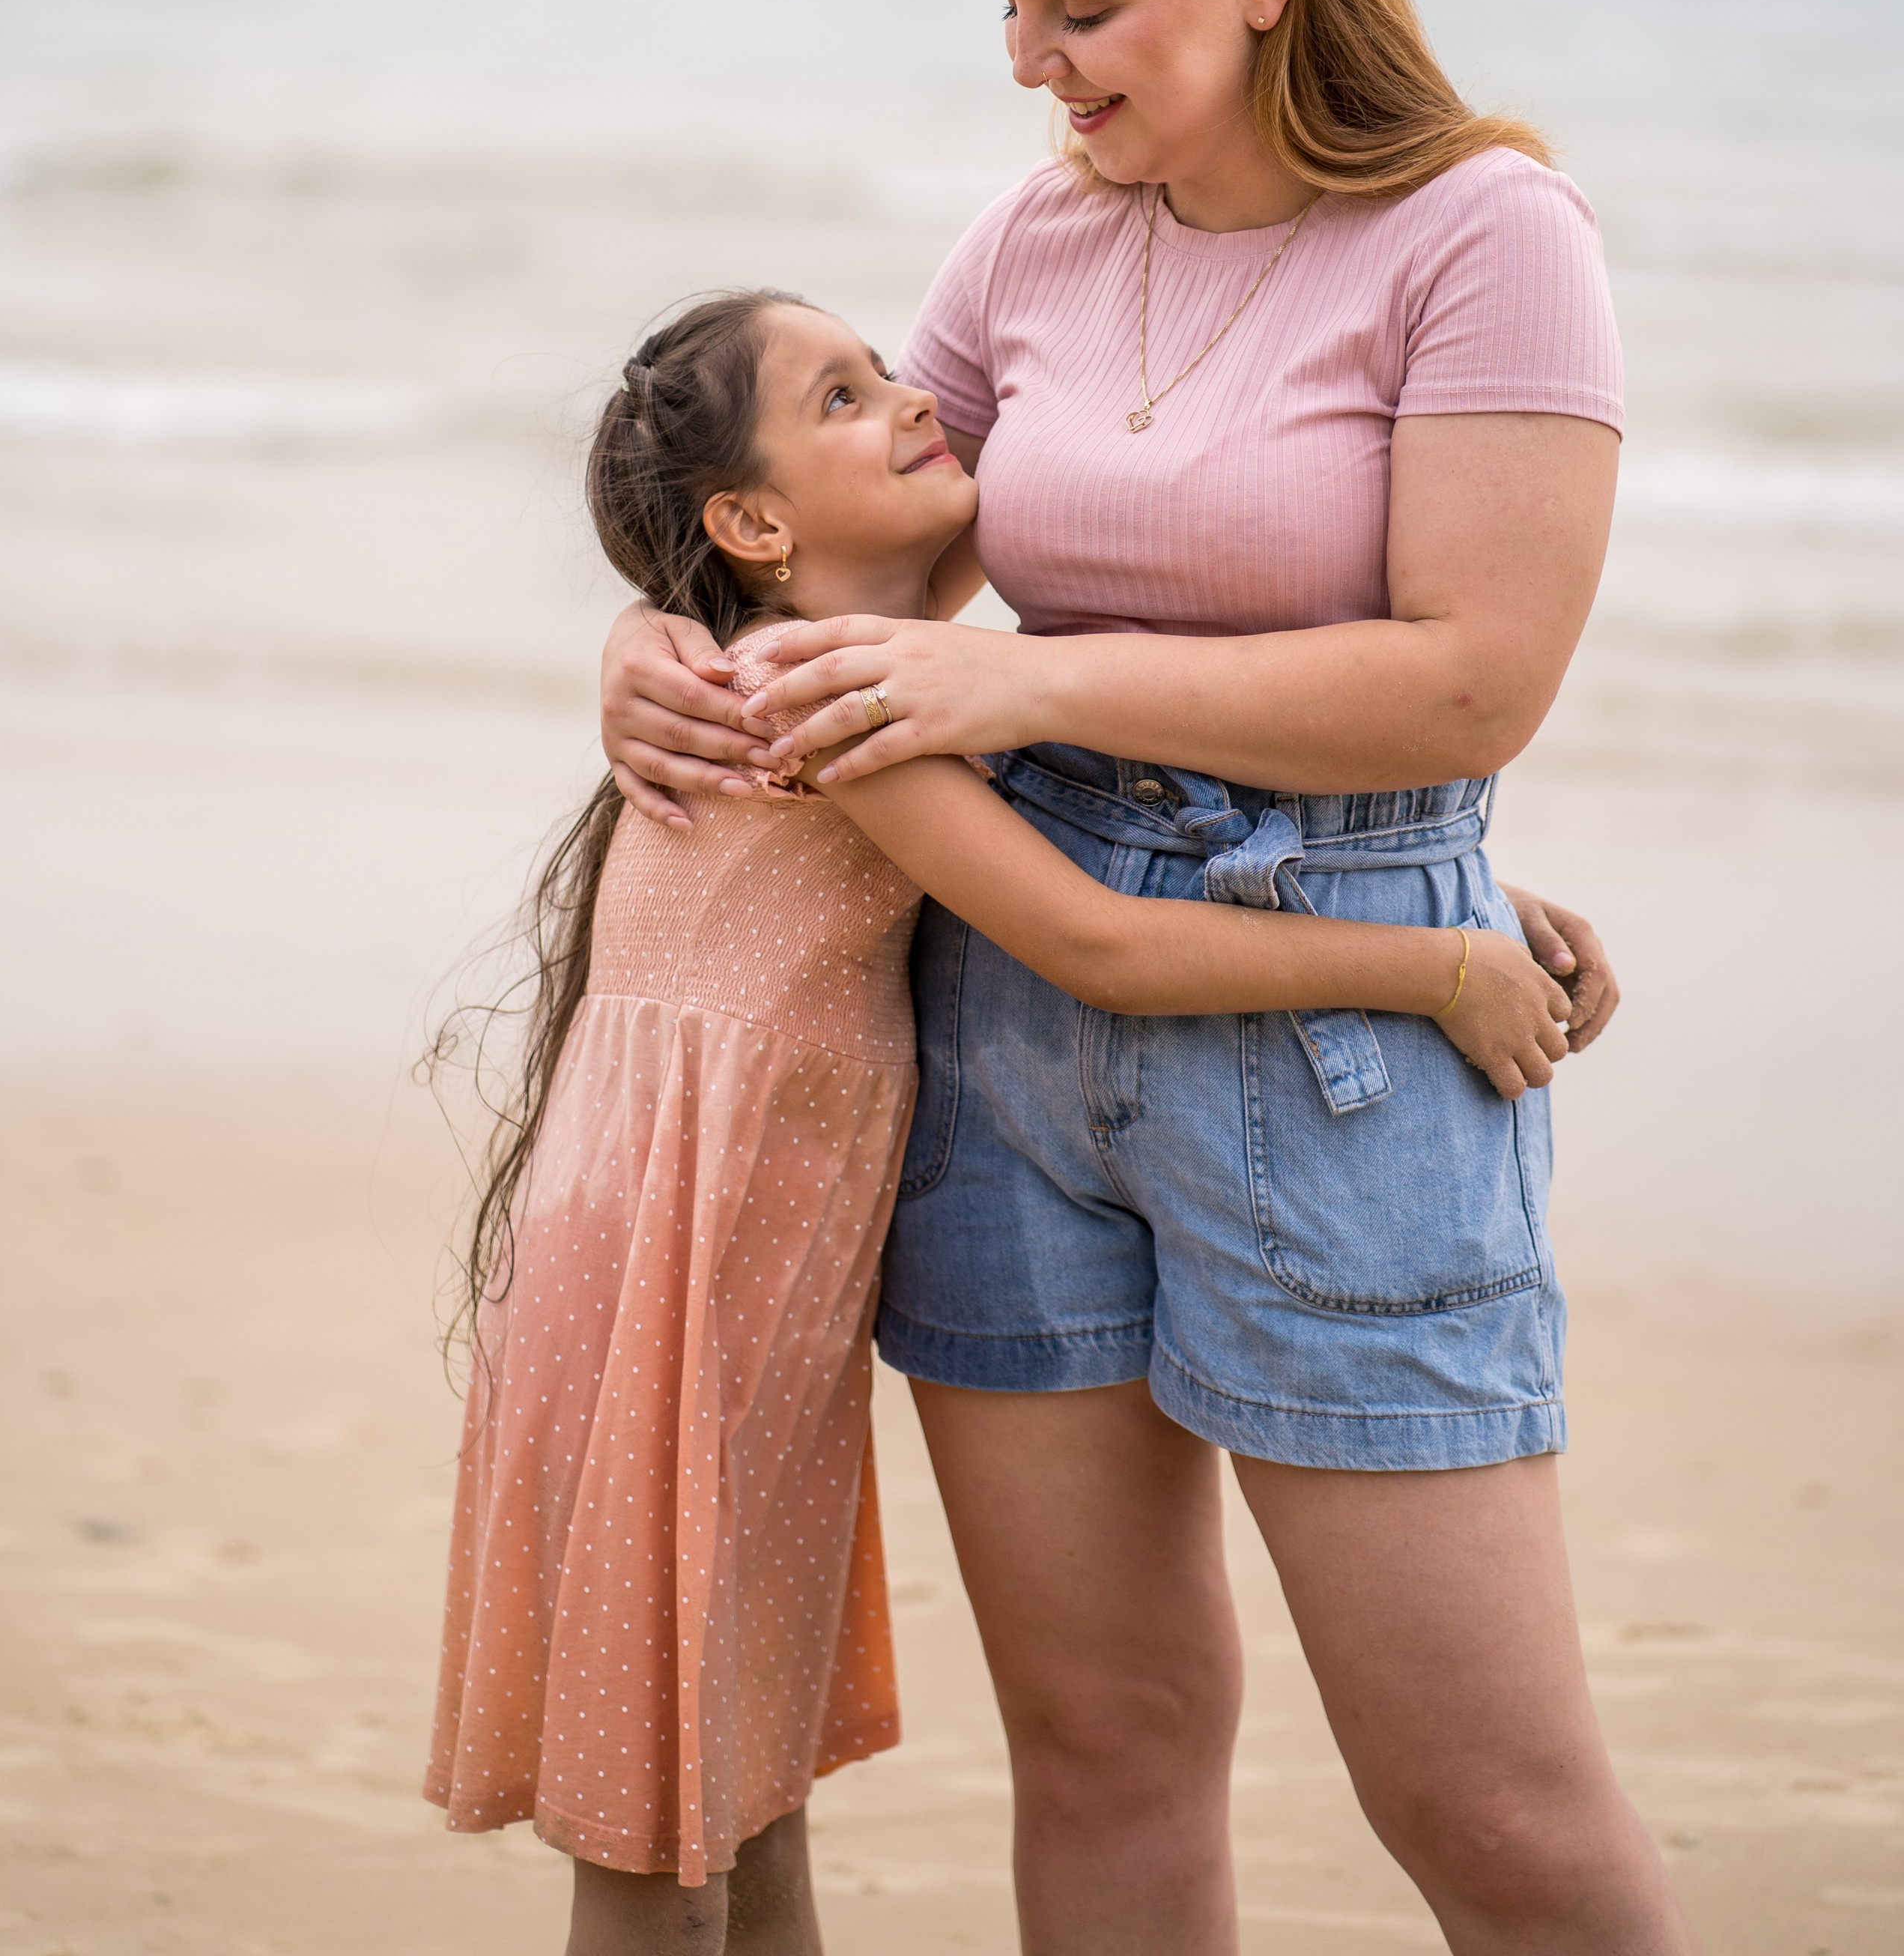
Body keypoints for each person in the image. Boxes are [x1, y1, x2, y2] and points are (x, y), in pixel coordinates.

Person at [599, 0, 1699, 1953]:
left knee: (1481, 1800)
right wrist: (641, 644)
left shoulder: (1488, 236)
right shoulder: (1038, 238)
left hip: (1341, 1047)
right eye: (1006, 5)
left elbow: (1473, 674)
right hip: (997, 1026)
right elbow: (851, 538)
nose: (1030, 60)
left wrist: (1035, 682)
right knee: (1105, 1755)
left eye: (1078, 7)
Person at [428, 285, 1583, 1956]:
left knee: (734, 1795)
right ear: (748, 521)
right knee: (670, 1825)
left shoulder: (856, 651)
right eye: (841, 396)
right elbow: (1093, 936)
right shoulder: (827, 701)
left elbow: (1109, 821)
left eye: (887, 368)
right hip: (683, 1282)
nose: (909, 397)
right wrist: (1427, 963)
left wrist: (1461, 886)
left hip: (727, 1269)